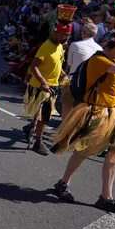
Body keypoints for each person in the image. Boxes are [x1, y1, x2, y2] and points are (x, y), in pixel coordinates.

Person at [52, 29, 115, 216]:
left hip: (114, 114)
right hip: (96, 112)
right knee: (84, 152)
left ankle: (106, 198)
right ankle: (63, 182)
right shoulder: (99, 60)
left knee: (114, 156)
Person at [22, 21, 70, 155]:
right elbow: (34, 66)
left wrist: (64, 76)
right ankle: (38, 142)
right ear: (55, 33)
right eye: (63, 35)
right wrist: (43, 82)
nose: (66, 38)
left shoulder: (60, 46)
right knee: (44, 116)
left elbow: (57, 65)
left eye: (68, 35)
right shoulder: (46, 46)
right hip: (41, 87)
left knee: (42, 115)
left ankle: (30, 127)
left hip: (53, 86)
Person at [61, 18, 102, 118]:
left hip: (74, 80)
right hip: (90, 83)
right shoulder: (100, 49)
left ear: (83, 32)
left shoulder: (75, 45)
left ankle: (64, 129)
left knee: (66, 106)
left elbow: (69, 64)